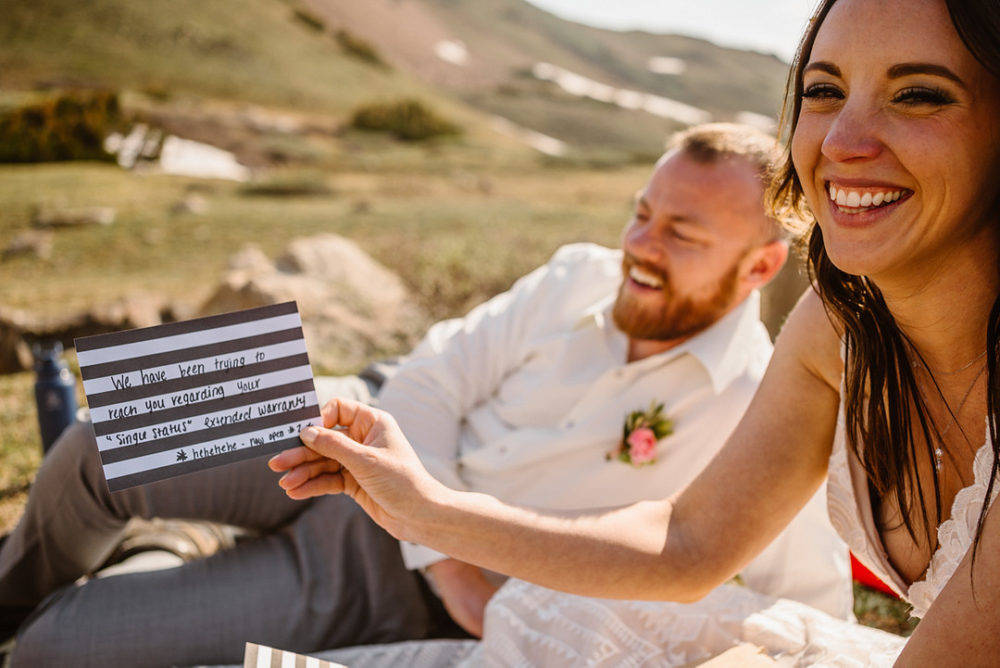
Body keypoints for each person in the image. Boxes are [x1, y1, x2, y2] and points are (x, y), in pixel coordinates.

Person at [271, 0, 1000, 664]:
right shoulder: (836, 327)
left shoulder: (751, 368)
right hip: (370, 474)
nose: (842, 141)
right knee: (585, 620)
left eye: (918, 95)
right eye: (823, 91)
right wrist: (429, 513)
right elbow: (685, 545)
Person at [0, 123, 851, 666]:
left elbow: (809, 615)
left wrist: (458, 583)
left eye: (681, 233)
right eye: (641, 212)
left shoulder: (762, 401)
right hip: (354, 415)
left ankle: (167, 550)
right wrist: (443, 555)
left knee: (54, 651)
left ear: (761, 268)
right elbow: (426, 381)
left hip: (385, 583)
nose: (639, 244)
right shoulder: (574, 271)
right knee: (106, 432)